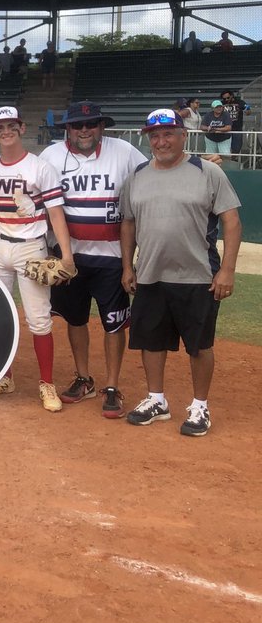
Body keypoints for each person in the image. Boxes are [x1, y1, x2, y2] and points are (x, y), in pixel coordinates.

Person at [120, 108, 241, 437]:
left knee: (199, 344)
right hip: (150, 273)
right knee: (151, 340)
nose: (161, 141)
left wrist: (227, 270)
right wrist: (126, 265)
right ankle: (156, 399)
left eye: (168, 133)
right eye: (155, 136)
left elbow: (231, 222)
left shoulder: (207, 172)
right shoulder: (138, 175)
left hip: (198, 273)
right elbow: (128, 223)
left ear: (183, 134)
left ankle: (200, 405)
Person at [39, 101, 146, 418]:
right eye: (77, 125)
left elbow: (152, 175)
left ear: (101, 127)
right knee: (75, 319)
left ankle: (112, 386)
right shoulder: (52, 156)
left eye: (91, 124)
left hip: (112, 257)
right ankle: (83, 377)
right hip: (69, 257)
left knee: (114, 323)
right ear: (67, 129)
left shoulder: (123, 151)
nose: (84, 130)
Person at [0, 106, 75, 411]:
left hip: (30, 247)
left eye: (11, 125)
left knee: (38, 319)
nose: (5, 131)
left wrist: (66, 254)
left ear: (22, 128)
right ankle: (4, 376)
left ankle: (46, 384)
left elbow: (55, 213)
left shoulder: (40, 167)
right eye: (0, 127)